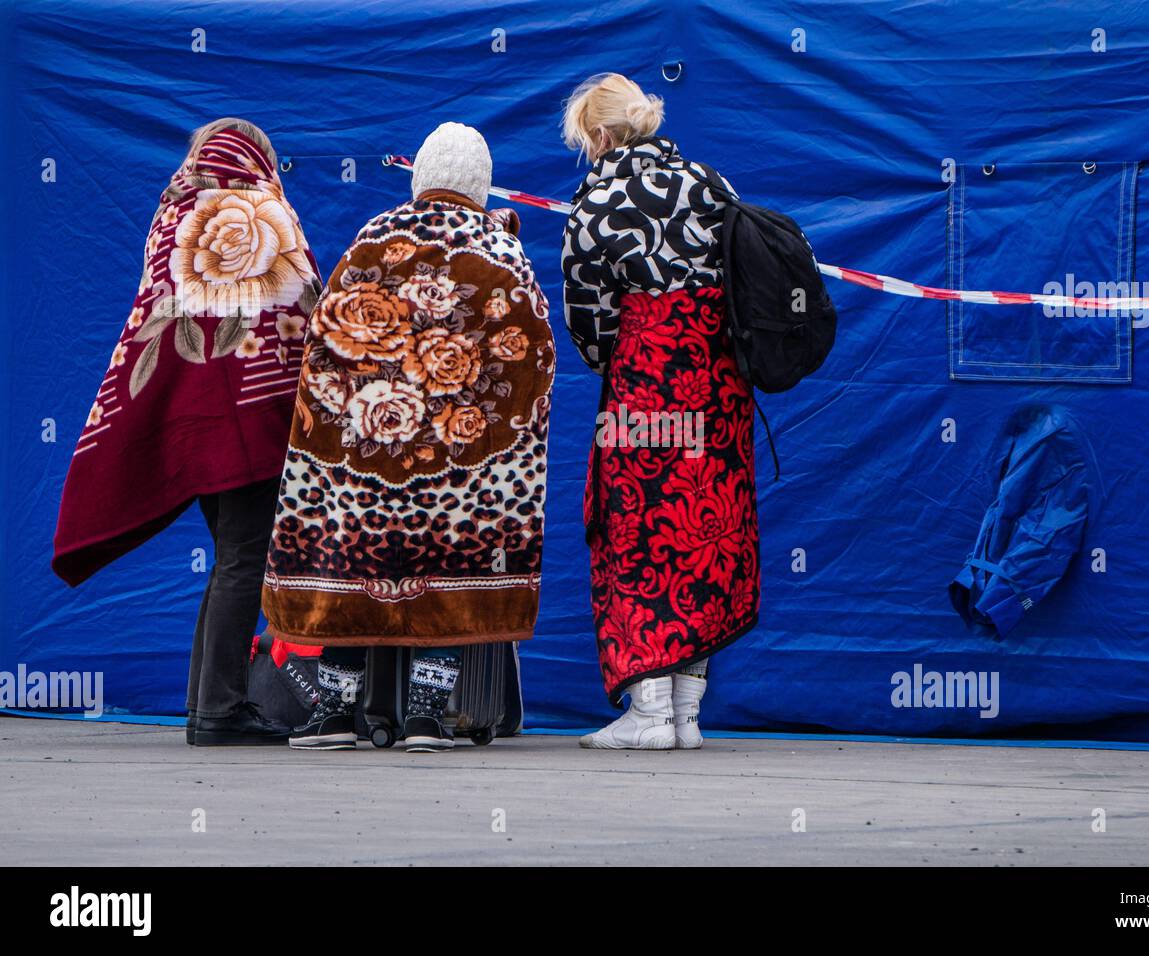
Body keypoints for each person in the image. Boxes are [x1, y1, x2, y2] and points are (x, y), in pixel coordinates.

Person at [262, 122, 554, 752]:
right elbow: (535, 355)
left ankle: (336, 715)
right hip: (455, 467)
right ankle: (426, 717)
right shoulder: (501, 253)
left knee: (352, 572)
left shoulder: (373, 238)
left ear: (421, 175)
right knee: (443, 576)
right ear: (479, 183)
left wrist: (347, 430)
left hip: (368, 457)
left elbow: (325, 343)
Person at [52, 118, 321, 746]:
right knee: (245, 557)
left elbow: (159, 312)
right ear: (259, 157)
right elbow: (304, 297)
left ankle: (209, 703)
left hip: (192, 420)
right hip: (253, 417)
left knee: (231, 556)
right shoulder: (263, 208)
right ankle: (219, 711)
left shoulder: (172, 219)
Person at [561, 74, 760, 749]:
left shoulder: (599, 195)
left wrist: (620, 364)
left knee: (640, 529)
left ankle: (648, 713)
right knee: (706, 534)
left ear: (602, 135)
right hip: (721, 385)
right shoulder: (711, 182)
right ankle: (687, 716)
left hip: (647, 385)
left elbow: (587, 319)